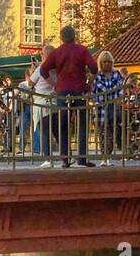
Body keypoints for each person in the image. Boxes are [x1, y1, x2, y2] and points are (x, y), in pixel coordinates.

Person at [39, 25, 98, 168]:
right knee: (82, 124)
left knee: (63, 125)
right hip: (79, 90)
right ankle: (82, 158)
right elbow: (94, 68)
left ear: (61, 38)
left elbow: (43, 70)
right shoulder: (82, 50)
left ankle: (65, 159)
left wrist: (54, 84)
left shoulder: (57, 52)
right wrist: (88, 82)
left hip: (62, 91)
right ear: (74, 36)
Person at [92, 51, 125, 165]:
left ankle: (108, 156)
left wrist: (118, 99)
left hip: (114, 106)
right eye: (104, 62)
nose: (106, 64)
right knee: (103, 133)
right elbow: (93, 92)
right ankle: (104, 158)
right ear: (100, 63)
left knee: (112, 133)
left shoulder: (117, 74)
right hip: (101, 108)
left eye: (108, 62)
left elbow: (121, 88)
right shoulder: (97, 76)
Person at [29, 44, 56, 167]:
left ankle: (48, 159)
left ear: (44, 55)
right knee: (57, 131)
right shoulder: (57, 68)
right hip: (55, 103)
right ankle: (67, 157)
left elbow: (30, 83)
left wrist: (33, 70)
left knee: (44, 132)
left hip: (41, 104)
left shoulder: (41, 69)